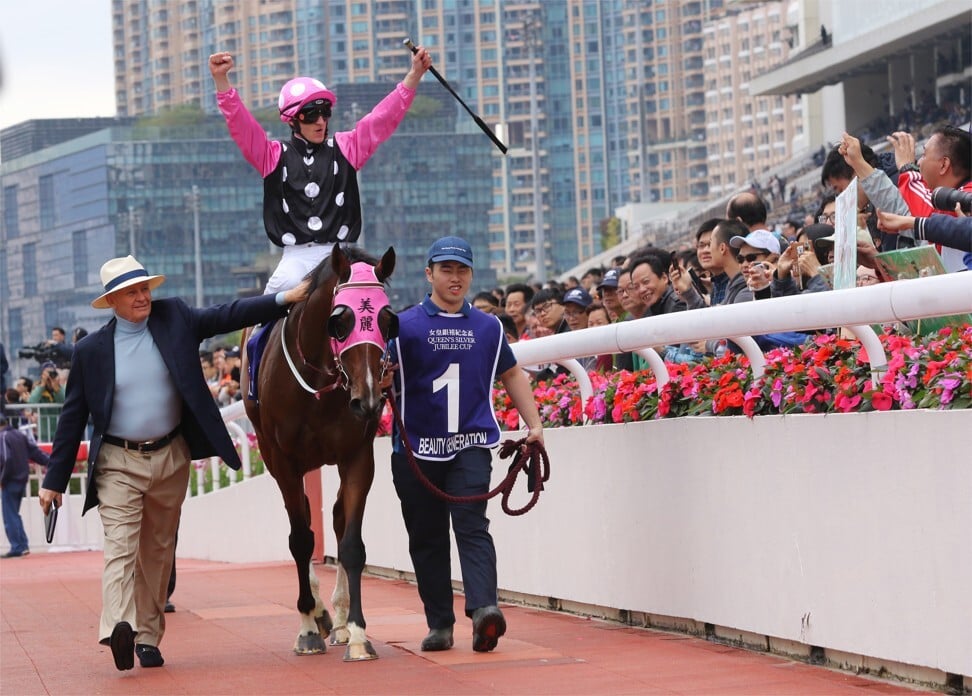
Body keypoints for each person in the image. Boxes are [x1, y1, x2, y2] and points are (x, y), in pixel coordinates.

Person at [37, 255, 309, 672]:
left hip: (170, 456)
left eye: (145, 288)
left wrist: (283, 299)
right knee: (120, 548)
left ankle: (147, 636)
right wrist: (53, 482)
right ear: (112, 301)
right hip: (117, 462)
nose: (143, 296)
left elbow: (227, 315)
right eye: (132, 292)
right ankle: (118, 625)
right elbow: (72, 418)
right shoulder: (90, 351)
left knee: (158, 551)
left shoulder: (175, 317)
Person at [388, 236, 543, 654]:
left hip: (471, 444)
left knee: (472, 524)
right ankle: (439, 623)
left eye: (462, 271)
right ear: (429, 274)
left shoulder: (489, 327)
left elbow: (511, 375)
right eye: (446, 270)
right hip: (416, 450)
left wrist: (535, 424)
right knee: (428, 536)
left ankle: (484, 610)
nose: (455, 278)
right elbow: (378, 375)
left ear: (472, 275)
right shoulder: (401, 327)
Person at [209, 46, 432, 295]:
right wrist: (222, 81)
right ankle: (254, 335)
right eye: (311, 115)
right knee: (263, 311)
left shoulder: (347, 147)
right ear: (292, 119)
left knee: (374, 306)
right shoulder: (271, 156)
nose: (320, 121)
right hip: (295, 262)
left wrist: (413, 76)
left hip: (342, 257)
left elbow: (382, 119)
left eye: (325, 113)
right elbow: (242, 126)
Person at [1, 414, 50, 558]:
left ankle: (18, 546)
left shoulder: (2, 437)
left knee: (9, 515)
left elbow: (5, 458)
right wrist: (53, 464)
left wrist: (1, 479)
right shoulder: (19, 435)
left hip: (9, 480)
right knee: (13, 514)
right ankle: (22, 545)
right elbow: (36, 453)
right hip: (22, 479)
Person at [28, 362, 65, 441]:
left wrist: (56, 388)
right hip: (44, 434)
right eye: (47, 373)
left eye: (52, 372)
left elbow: (66, 402)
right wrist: (42, 385)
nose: (49, 376)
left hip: (61, 432)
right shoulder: (39, 390)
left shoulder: (60, 389)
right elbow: (31, 403)